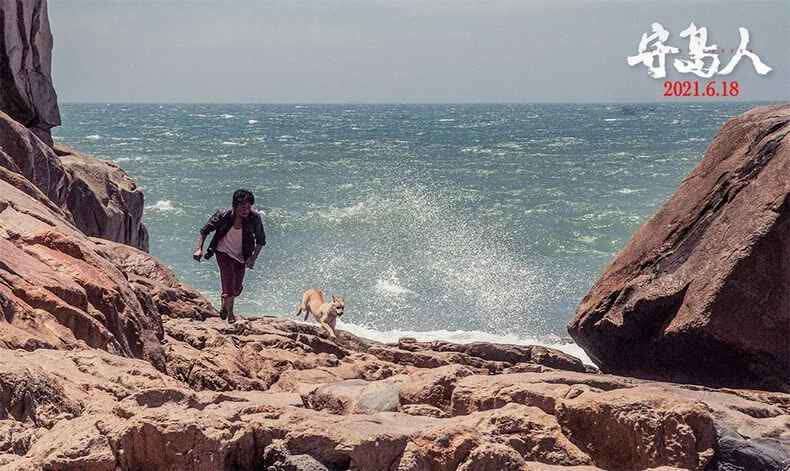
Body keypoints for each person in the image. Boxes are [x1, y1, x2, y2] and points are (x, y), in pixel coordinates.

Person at [193, 189, 266, 323]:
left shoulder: (254, 218)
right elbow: (204, 231)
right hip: (223, 252)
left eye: (248, 207)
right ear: (234, 205)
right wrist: (199, 249)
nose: (246, 210)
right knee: (229, 284)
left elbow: (261, 240)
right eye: (242, 207)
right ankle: (231, 315)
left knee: (236, 289)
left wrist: (252, 259)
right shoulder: (223, 215)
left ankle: (225, 300)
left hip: (242, 255)